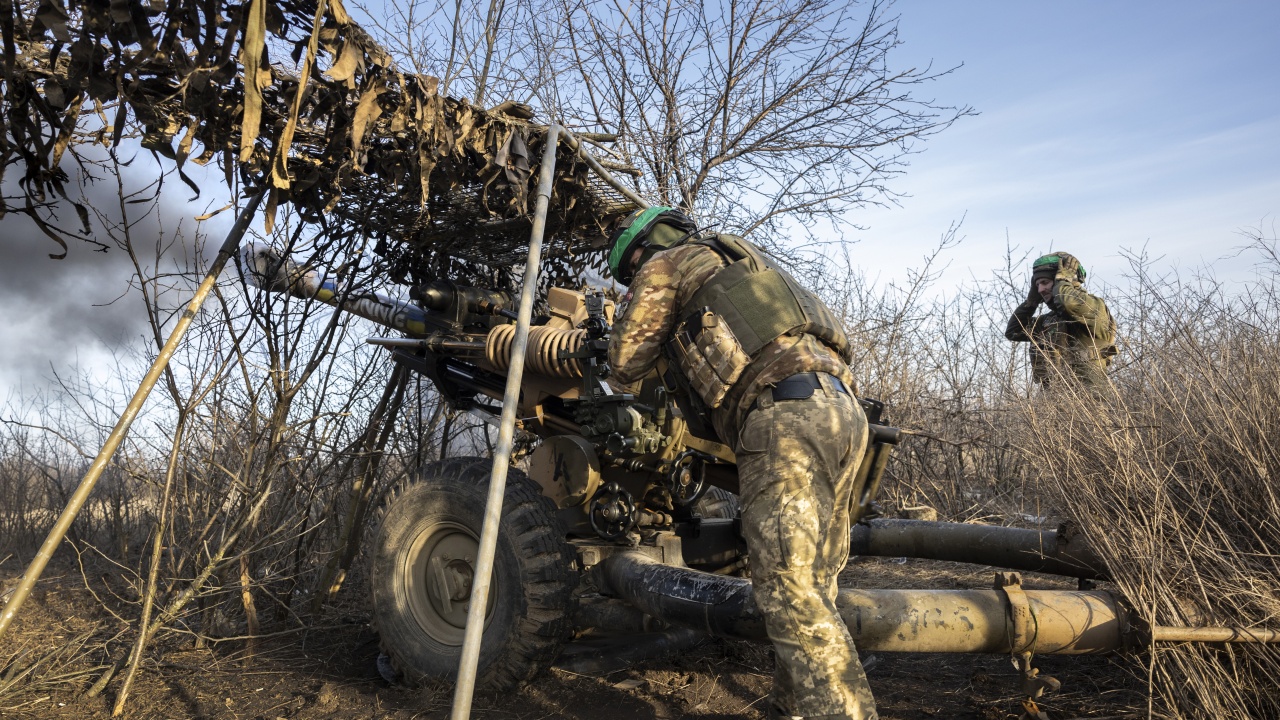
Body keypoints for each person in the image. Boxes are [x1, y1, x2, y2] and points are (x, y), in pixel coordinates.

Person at [605, 206, 878, 720]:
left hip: (784, 417)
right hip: (842, 411)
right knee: (813, 585)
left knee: (790, 593)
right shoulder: (740, 263)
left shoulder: (664, 265)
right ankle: (790, 708)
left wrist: (619, 318)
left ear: (637, 252)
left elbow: (624, 364)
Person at [1005, 251, 1117, 389]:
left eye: (1045, 282)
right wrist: (1030, 302)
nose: (1040, 289)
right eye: (1037, 285)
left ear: (1067, 279)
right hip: (1055, 404)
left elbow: (1068, 303)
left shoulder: (1094, 308)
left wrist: (1063, 281)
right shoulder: (1048, 321)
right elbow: (1014, 331)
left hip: (1090, 403)